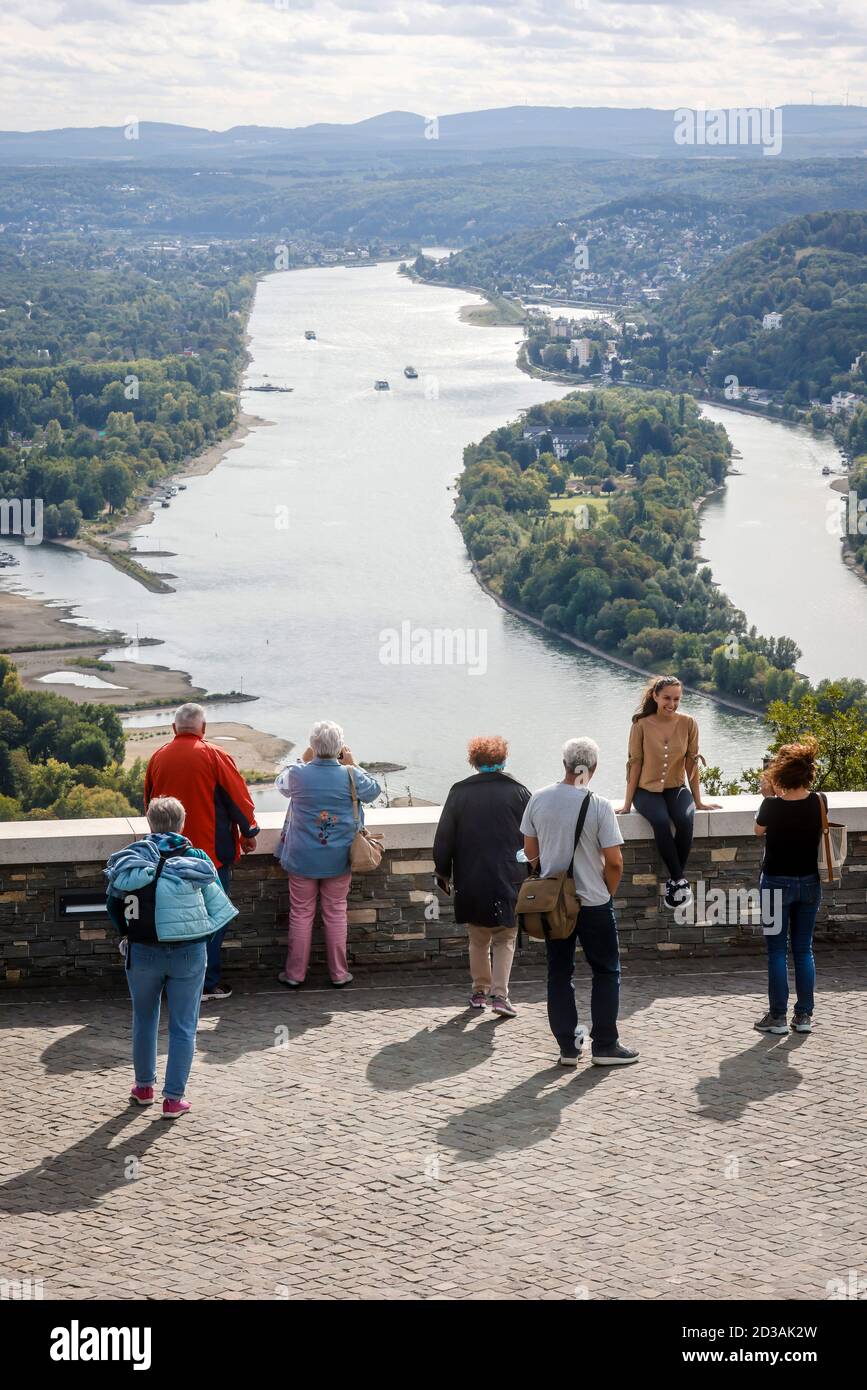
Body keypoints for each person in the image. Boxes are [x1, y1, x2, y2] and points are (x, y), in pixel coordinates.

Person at [105, 796, 237, 1119]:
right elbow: (214, 904)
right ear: (182, 824)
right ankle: (173, 1099)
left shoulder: (133, 859)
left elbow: (113, 904)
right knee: (183, 1026)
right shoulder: (196, 858)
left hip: (143, 950)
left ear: (150, 823)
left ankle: (143, 1088)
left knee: (144, 1018)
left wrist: (127, 934)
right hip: (188, 953)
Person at [521, 736, 638, 1067]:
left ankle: (569, 1049)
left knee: (559, 973)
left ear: (564, 764)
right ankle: (605, 1045)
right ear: (593, 768)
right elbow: (614, 862)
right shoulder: (599, 806)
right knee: (605, 971)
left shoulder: (539, 800)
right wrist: (605, 893)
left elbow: (531, 853)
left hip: (554, 906)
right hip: (594, 903)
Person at [143, 702, 259, 1002]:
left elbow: (149, 805)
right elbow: (239, 800)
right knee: (212, 918)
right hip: (210, 857)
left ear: (174, 729)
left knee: (169, 919)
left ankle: (172, 981)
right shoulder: (215, 756)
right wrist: (249, 833)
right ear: (203, 729)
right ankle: (205, 982)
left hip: (164, 857)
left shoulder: (157, 758)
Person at [275, 720, 381, 987]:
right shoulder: (350, 774)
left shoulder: (299, 773)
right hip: (339, 857)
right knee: (335, 912)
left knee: (300, 913)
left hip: (302, 857)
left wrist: (303, 757)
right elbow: (374, 791)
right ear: (339, 748)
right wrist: (353, 763)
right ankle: (339, 973)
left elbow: (281, 783)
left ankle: (295, 974)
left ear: (313, 745)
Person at [433, 735, 530, 1017]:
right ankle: (500, 996)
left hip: (471, 875)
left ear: (473, 762)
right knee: (505, 937)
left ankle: (479, 991)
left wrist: (443, 871)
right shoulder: (519, 792)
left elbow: (444, 837)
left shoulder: (459, 792)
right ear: (503, 760)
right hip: (508, 875)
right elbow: (533, 835)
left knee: (478, 938)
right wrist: (534, 868)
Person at [617, 675, 719, 910]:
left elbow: (691, 765)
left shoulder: (689, 723)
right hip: (646, 791)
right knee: (661, 821)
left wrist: (699, 800)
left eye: (676, 699)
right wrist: (626, 803)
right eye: (667, 698)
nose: (671, 704)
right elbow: (635, 764)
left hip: (676, 789)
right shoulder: (640, 724)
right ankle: (679, 881)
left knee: (685, 819)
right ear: (655, 696)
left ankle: (675, 881)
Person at [753, 739, 824, 1035]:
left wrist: (769, 793)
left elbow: (758, 831)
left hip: (774, 883)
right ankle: (804, 1016)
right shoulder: (820, 801)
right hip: (809, 882)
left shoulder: (771, 806)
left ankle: (778, 1017)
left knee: (776, 951)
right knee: (804, 949)